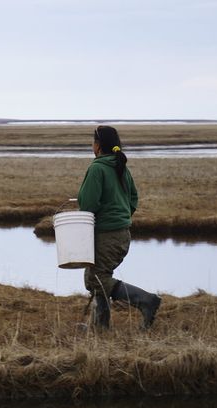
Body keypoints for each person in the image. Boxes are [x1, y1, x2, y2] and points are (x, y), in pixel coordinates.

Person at [78, 125, 161, 330]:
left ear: (97, 145)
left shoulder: (98, 168)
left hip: (106, 235)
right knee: (96, 277)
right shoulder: (120, 166)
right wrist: (122, 216)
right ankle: (100, 326)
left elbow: (88, 205)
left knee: (98, 279)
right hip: (121, 233)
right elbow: (133, 198)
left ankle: (146, 300)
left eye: (93, 141)